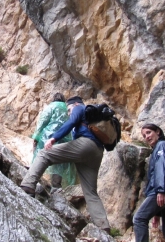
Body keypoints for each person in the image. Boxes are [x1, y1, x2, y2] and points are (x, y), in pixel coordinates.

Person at [21, 96, 111, 230]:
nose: (69, 113)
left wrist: (53, 138)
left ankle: (28, 185)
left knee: (44, 154)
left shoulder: (79, 107)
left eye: (68, 110)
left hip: (86, 145)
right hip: (97, 152)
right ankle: (103, 225)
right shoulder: (90, 116)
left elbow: (72, 122)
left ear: (74, 104)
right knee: (90, 191)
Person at [30, 93, 77, 189]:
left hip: (48, 137)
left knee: (41, 156)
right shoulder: (68, 108)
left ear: (54, 99)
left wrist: (36, 137)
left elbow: (43, 121)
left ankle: (33, 177)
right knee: (59, 164)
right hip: (65, 139)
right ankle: (56, 187)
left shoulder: (51, 106)